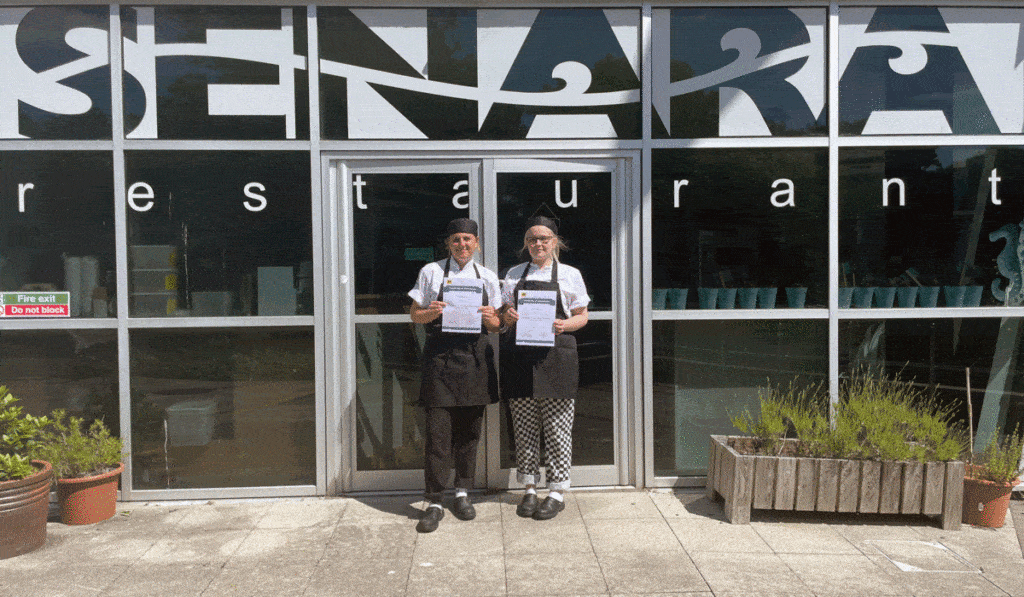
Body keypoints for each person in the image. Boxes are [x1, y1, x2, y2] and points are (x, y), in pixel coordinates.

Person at [408, 217, 502, 533]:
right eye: (456, 240)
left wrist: (492, 319)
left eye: (468, 239)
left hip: (475, 359)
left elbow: (498, 325)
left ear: (476, 243)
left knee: (469, 432)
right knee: (438, 435)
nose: (462, 245)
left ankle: (463, 493)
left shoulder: (487, 277)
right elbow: (415, 315)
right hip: (440, 359)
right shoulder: (431, 272)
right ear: (448, 243)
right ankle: (434, 499)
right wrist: (430, 313)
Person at [499, 215, 589, 520]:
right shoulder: (512, 274)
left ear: (555, 243)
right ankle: (528, 488)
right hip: (520, 358)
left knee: (557, 428)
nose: (538, 244)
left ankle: (556, 491)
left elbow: (582, 316)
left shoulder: (570, 275)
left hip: (557, 357)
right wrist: (507, 318)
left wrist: (565, 324)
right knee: (524, 428)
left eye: (544, 238)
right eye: (532, 239)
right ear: (526, 244)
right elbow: (502, 317)